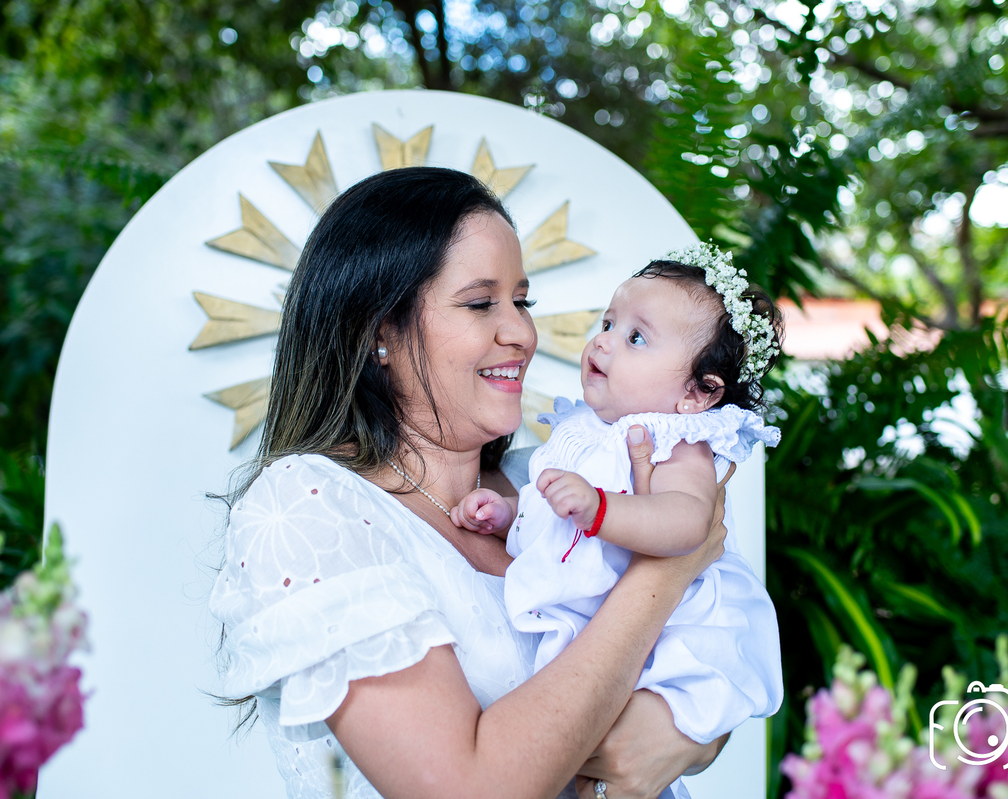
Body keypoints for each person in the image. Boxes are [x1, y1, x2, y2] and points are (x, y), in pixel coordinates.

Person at [208, 166, 754, 799]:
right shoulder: (309, 508)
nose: (520, 333)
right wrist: (663, 571)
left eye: (522, 301)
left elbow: (706, 639)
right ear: (380, 331)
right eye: (479, 303)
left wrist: (692, 735)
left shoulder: (546, 481)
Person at [451, 245, 786, 798]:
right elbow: (551, 516)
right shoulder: (581, 430)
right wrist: (510, 514)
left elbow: (687, 524)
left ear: (697, 393)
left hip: (672, 631)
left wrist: (603, 507)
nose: (603, 341)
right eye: (608, 323)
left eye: (636, 337)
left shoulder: (680, 444)